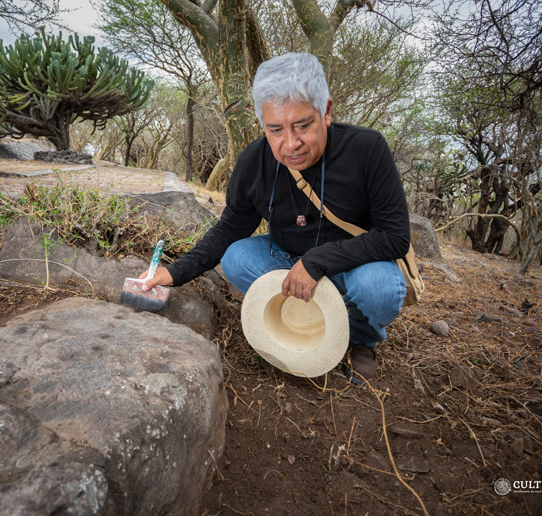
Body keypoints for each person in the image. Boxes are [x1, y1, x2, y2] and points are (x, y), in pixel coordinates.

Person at [141, 52, 409, 383]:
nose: (291, 144)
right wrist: (175, 272)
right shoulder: (253, 162)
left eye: (303, 125)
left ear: (326, 111)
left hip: (353, 266)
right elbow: (230, 228)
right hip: (285, 260)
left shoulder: (367, 149)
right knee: (236, 257)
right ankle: (301, 321)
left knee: (380, 288)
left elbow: (395, 237)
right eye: (276, 129)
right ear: (262, 124)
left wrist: (316, 262)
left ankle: (361, 338)